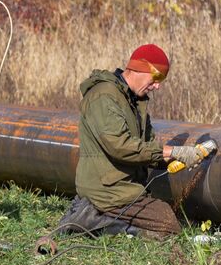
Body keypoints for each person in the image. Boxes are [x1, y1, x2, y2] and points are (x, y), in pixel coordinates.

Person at [47, 43, 204, 243]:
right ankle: (89, 220)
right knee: (167, 226)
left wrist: (176, 159)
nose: (157, 86)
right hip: (107, 189)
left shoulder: (135, 101)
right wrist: (172, 151)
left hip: (124, 186)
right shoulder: (104, 96)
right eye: (156, 78)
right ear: (139, 68)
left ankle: (102, 218)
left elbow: (145, 148)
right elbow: (120, 147)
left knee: (166, 220)